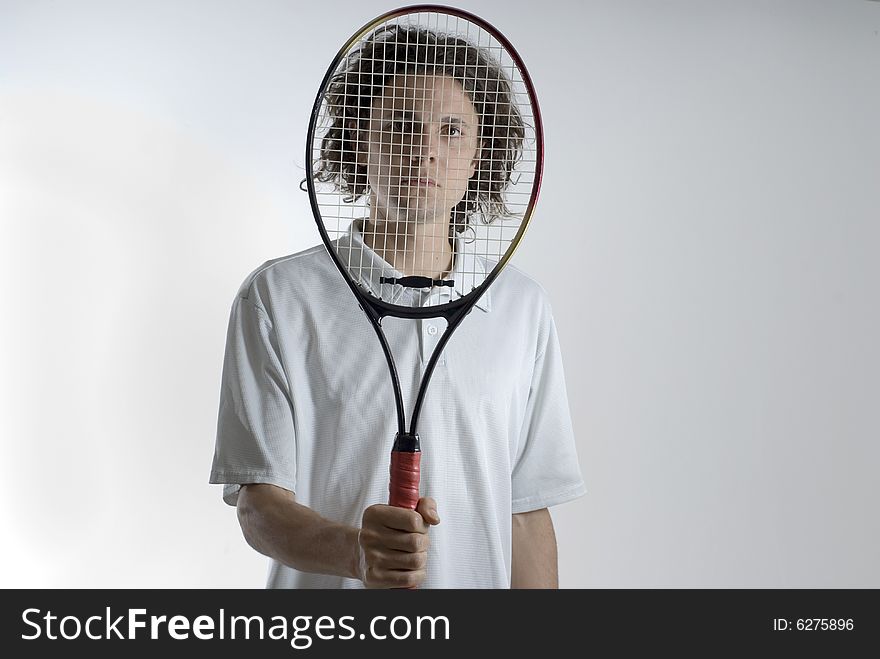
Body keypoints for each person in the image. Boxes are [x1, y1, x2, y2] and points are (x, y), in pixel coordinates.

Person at [210, 24, 586, 589]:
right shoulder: (278, 297)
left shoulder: (522, 307)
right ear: (360, 141)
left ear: (482, 151)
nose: (427, 149)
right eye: (402, 125)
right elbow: (259, 506)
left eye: (452, 130)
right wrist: (356, 554)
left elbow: (527, 514)